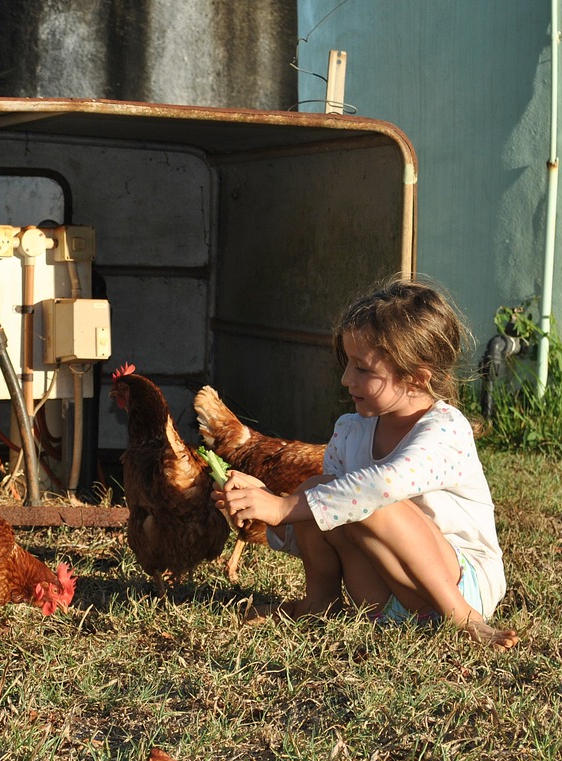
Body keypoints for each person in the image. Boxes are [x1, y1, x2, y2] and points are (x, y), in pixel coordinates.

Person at [212, 277, 519, 649]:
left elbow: (378, 488)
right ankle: (318, 603)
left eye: (362, 368)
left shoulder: (446, 429)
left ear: (416, 378)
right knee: (319, 489)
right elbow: (324, 519)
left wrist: (283, 505)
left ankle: (464, 620)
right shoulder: (350, 431)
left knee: (368, 500)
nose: (345, 379)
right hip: (380, 600)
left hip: (461, 585)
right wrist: (266, 511)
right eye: (347, 364)